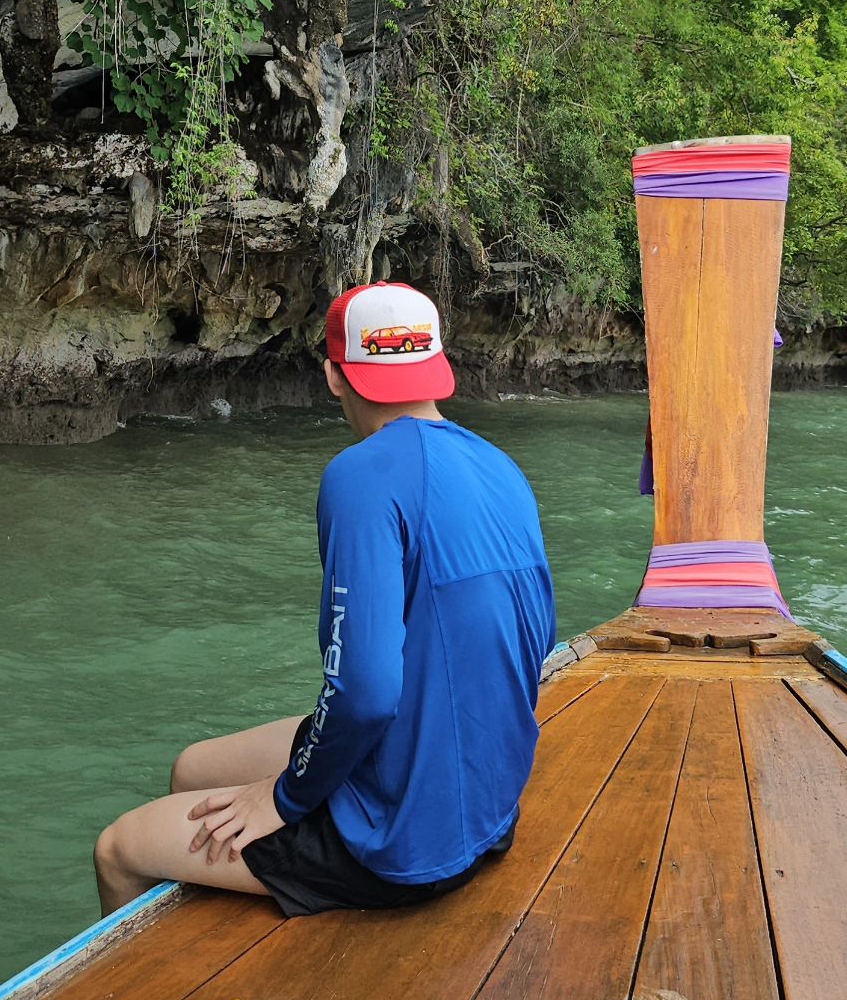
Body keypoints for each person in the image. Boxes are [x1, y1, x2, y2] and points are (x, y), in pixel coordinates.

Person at [93, 279, 557, 918]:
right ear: (435, 366)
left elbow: (365, 692)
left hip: (398, 846)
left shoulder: (359, 476)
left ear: (335, 376)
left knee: (117, 848)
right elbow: (531, 643)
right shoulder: (502, 469)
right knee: (193, 769)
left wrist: (282, 799)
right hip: (487, 810)